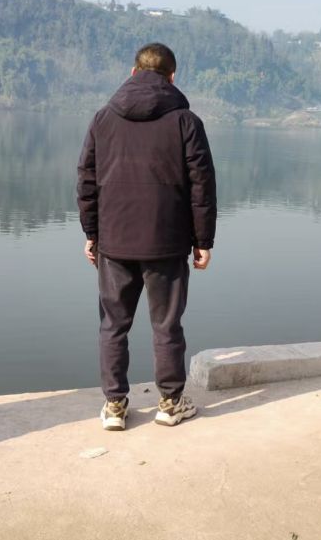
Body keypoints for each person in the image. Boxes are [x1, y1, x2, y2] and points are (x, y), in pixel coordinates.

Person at [77, 42, 217, 431]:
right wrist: (203, 241)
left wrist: (92, 233)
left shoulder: (104, 119)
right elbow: (202, 187)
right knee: (167, 326)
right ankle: (170, 403)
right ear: (172, 77)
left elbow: (87, 180)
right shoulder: (186, 122)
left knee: (113, 326)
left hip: (114, 242)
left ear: (133, 72)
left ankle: (114, 406)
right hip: (167, 243)